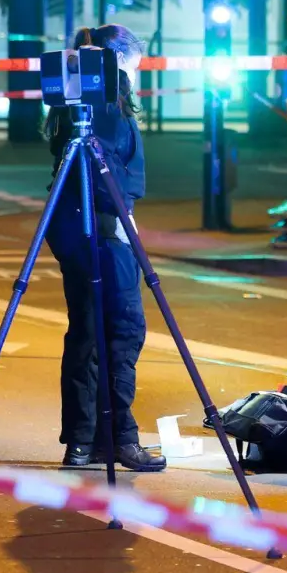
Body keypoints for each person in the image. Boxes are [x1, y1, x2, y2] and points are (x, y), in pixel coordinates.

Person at [46, 24, 166, 473]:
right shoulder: (111, 109)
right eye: (132, 69)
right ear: (117, 63)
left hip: (70, 226)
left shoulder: (71, 103)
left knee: (86, 331)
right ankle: (119, 439)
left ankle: (82, 441)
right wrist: (121, 221)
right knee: (124, 331)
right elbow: (106, 174)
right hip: (104, 225)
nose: (134, 80)